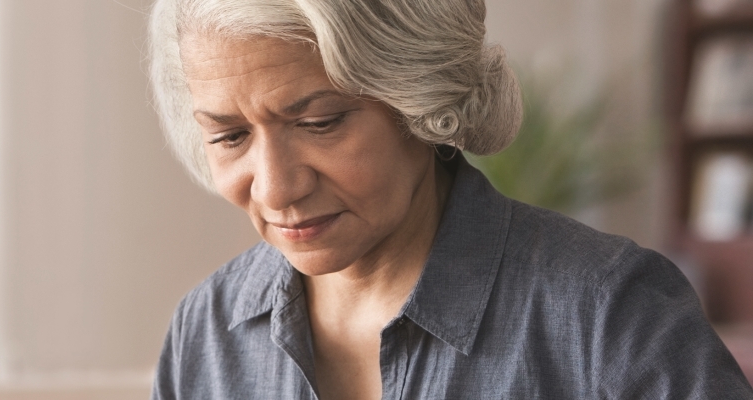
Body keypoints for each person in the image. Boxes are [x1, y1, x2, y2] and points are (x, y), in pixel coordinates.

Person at [145, 0, 753, 398]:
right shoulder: (208, 332)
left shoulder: (611, 315)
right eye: (230, 136)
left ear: (424, 106)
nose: (276, 187)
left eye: (322, 122)